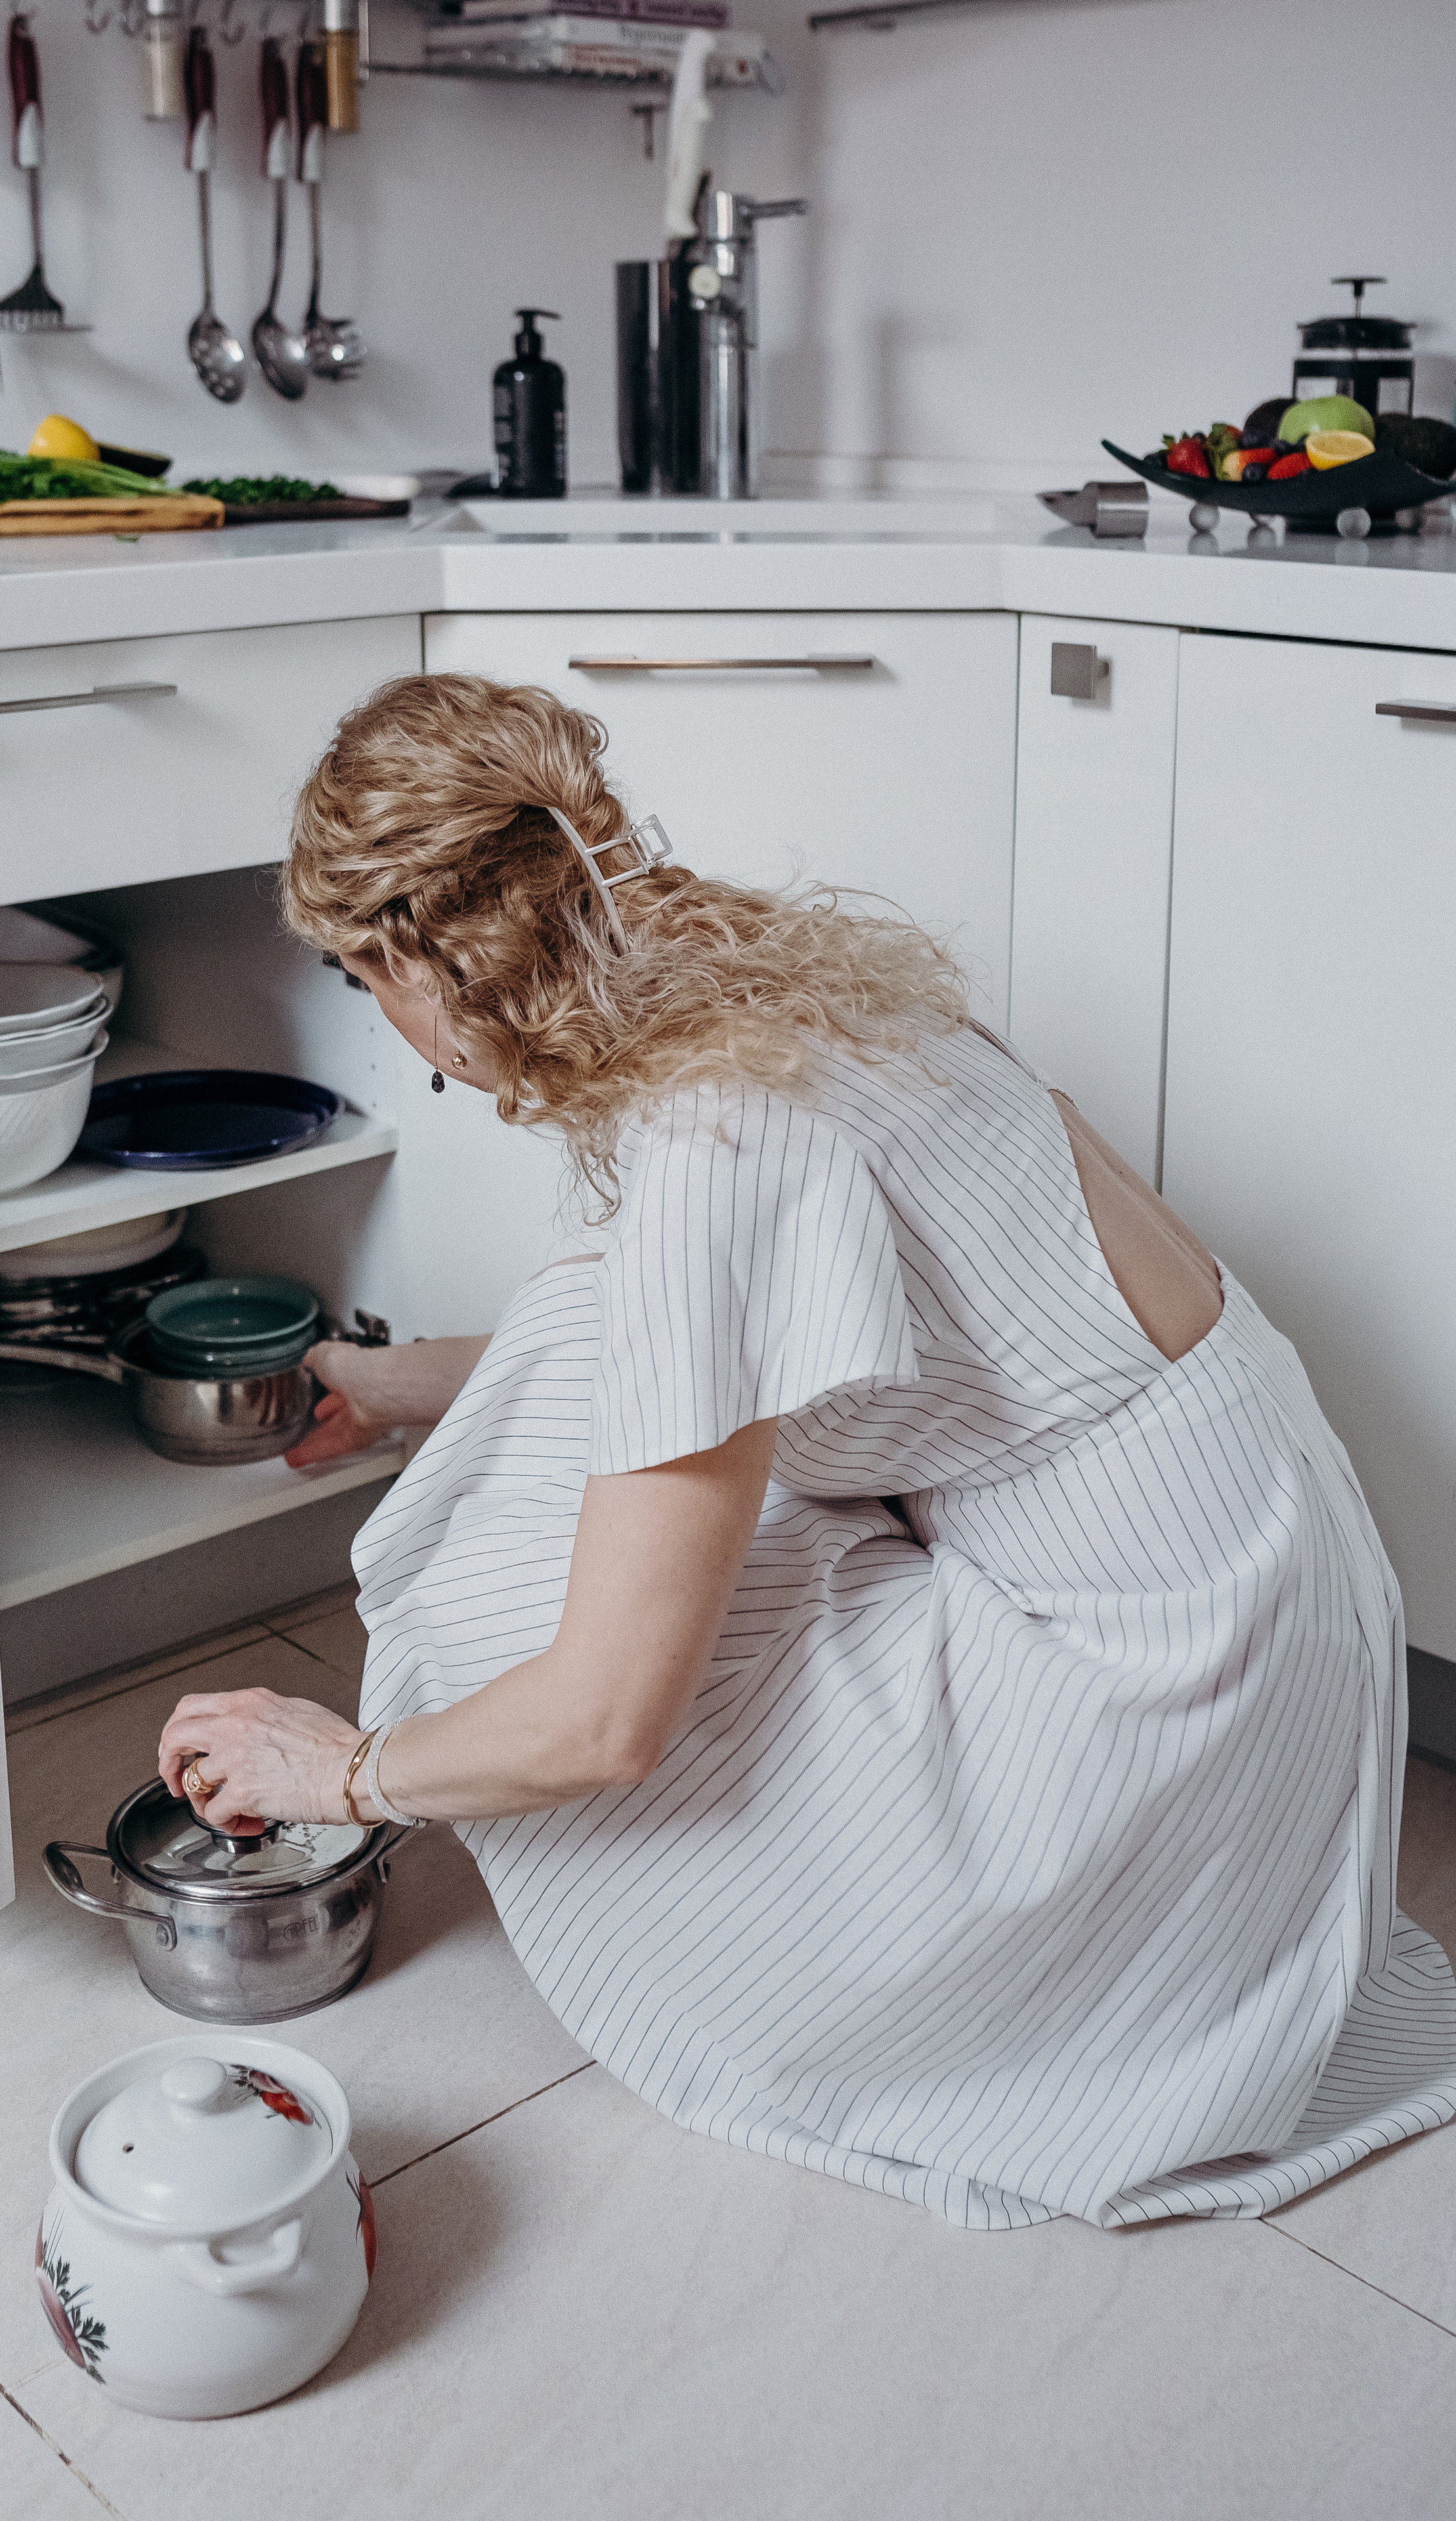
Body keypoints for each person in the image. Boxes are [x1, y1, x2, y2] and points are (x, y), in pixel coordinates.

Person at [160, 674, 1456, 2231]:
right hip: (1265, 1558)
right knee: (594, 1356)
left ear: (418, 963)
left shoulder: (717, 1138)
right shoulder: (759, 971)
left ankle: (981, 1989)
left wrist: (352, 1771)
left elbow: (602, 1726)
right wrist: (398, 1385)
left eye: (365, 982)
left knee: (487, 1608)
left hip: (1167, 1689)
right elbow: (691, 1341)